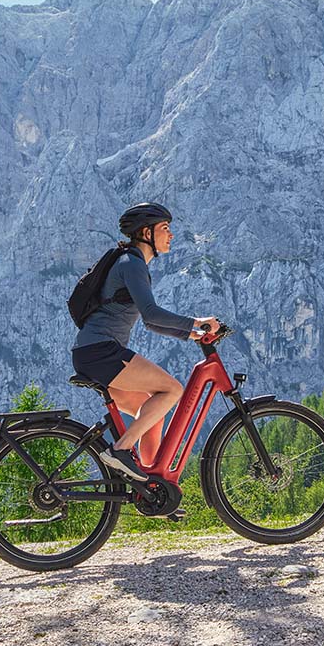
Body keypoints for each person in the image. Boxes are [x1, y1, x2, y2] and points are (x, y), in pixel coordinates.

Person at [71, 202, 220, 483]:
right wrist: (196, 321)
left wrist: (192, 335)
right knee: (172, 390)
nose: (171, 235)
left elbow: (150, 323)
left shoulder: (132, 263)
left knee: (152, 412)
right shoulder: (131, 263)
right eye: (165, 228)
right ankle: (121, 450)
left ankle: (151, 485)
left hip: (93, 352)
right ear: (146, 233)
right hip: (101, 351)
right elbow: (152, 313)